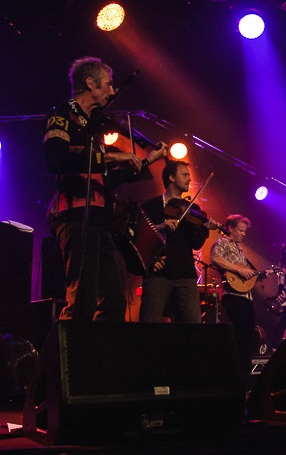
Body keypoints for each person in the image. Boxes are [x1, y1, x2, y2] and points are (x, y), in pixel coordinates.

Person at [44, 56, 168, 321]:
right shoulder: (62, 115)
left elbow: (107, 179)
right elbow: (55, 160)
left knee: (113, 302)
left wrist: (146, 161)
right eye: (108, 84)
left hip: (100, 221)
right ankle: (59, 350)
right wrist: (111, 156)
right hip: (76, 216)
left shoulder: (94, 125)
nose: (112, 91)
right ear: (90, 83)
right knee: (82, 301)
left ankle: (94, 348)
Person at [139, 160, 216, 323]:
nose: (189, 179)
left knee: (192, 324)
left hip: (185, 274)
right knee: (149, 322)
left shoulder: (192, 209)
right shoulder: (151, 206)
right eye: (185, 174)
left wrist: (204, 228)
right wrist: (159, 227)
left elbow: (196, 244)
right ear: (172, 178)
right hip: (157, 273)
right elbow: (138, 236)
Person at [210, 214, 260, 385]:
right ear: (230, 228)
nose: (244, 234)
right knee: (239, 336)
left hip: (246, 296)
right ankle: (237, 377)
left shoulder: (239, 249)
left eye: (245, 231)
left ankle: (245, 377)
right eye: (240, 230)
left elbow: (246, 274)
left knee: (248, 336)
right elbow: (216, 259)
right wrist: (239, 270)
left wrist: (257, 275)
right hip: (232, 295)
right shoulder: (221, 242)